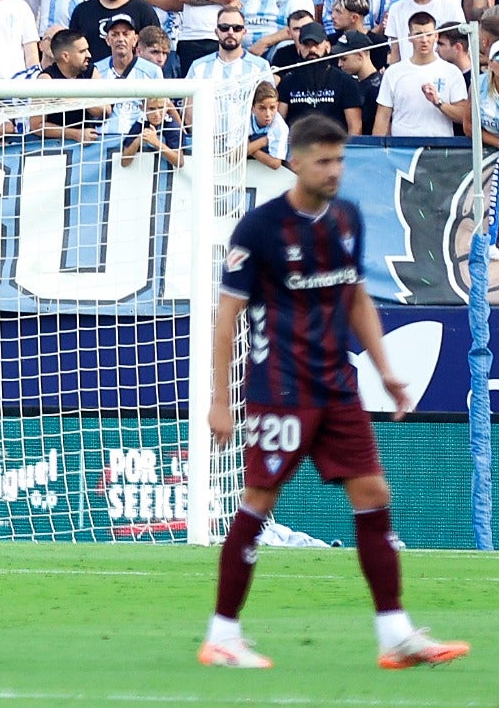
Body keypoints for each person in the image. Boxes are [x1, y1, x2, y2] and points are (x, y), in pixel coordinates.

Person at [199, 112, 469, 672]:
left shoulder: (346, 218)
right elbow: (226, 319)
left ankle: (395, 634)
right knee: (260, 500)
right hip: (281, 391)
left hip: (337, 388)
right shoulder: (259, 229)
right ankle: (222, 635)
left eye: (340, 159)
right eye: (323, 160)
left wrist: (386, 370)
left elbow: (356, 297)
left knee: (373, 493)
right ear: (295, 162)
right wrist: (220, 401)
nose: (334, 170)